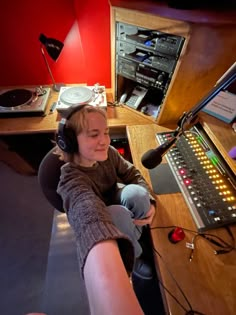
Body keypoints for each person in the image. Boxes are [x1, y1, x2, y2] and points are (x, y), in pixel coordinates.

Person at [53, 103, 156, 314]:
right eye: (93, 135)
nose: (104, 141)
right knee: (118, 215)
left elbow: (132, 174)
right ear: (70, 142)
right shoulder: (70, 178)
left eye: (106, 132)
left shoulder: (108, 152)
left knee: (137, 194)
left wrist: (151, 201)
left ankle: (134, 235)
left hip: (116, 201)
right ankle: (134, 258)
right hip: (106, 216)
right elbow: (86, 211)